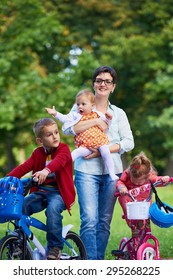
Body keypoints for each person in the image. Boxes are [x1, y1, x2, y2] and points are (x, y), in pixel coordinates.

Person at [62, 66, 134, 260]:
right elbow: (67, 128)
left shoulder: (118, 113)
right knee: (89, 220)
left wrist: (101, 152)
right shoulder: (81, 105)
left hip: (113, 173)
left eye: (107, 81)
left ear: (113, 87)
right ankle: (90, 266)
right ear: (94, 84)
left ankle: (98, 264)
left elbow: (129, 142)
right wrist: (93, 122)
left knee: (103, 221)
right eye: (99, 80)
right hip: (86, 171)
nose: (103, 84)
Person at [7, 118, 76, 260]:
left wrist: (46, 170)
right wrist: (8, 179)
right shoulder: (37, 153)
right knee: (22, 206)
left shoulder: (64, 149)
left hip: (59, 193)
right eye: (49, 134)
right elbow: (24, 167)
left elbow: (59, 162)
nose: (55, 136)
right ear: (40, 141)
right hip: (41, 192)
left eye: (56, 132)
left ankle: (55, 248)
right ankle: (20, 243)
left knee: (53, 210)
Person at [45, 89, 118, 181]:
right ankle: (56, 168)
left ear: (92, 106)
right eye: (78, 104)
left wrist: (109, 118)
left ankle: (111, 173)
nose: (80, 107)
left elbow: (107, 125)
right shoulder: (75, 115)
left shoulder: (98, 114)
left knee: (106, 152)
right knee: (75, 153)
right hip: (85, 145)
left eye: (83, 104)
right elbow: (65, 118)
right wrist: (55, 114)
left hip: (99, 142)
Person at [116, 151, 170, 234]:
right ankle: (129, 218)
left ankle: (145, 233)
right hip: (132, 203)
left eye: (139, 182)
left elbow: (158, 180)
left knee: (146, 226)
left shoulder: (150, 177)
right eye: (134, 181)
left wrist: (165, 179)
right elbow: (120, 182)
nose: (136, 184)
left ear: (147, 177)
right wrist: (122, 188)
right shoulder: (127, 173)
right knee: (122, 198)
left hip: (145, 203)